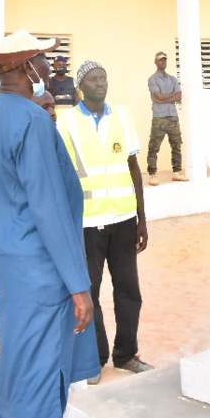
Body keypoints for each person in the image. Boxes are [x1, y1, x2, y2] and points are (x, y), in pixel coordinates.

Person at [0, 29, 99, 418]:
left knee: (15, 373)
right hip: (41, 275)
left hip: (11, 272)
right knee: (40, 390)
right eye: (45, 60)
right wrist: (78, 285)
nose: (52, 66)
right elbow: (48, 209)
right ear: (26, 68)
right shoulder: (30, 119)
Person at [57, 59, 152, 382]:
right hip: (86, 223)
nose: (101, 83)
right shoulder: (65, 122)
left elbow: (133, 168)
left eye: (104, 78)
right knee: (90, 292)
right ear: (81, 86)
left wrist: (142, 219)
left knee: (129, 291)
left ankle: (126, 355)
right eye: (94, 79)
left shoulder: (122, 116)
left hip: (123, 219)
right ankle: (93, 360)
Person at [146, 50, 188, 185]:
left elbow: (179, 96)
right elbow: (158, 97)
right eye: (160, 60)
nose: (162, 62)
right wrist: (170, 96)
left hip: (173, 117)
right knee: (154, 147)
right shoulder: (152, 79)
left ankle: (176, 172)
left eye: (164, 59)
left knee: (176, 145)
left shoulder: (172, 79)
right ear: (155, 62)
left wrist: (165, 98)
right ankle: (152, 174)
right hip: (159, 117)